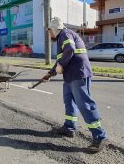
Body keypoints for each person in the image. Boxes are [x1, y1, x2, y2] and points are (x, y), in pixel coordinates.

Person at [41, 17, 108, 153]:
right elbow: (61, 60)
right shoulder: (61, 38)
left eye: (49, 31)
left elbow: (70, 50)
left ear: (54, 29)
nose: (49, 34)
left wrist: (60, 66)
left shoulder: (65, 34)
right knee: (69, 101)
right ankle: (69, 127)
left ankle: (100, 136)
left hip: (79, 74)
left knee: (85, 104)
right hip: (70, 76)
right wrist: (50, 73)